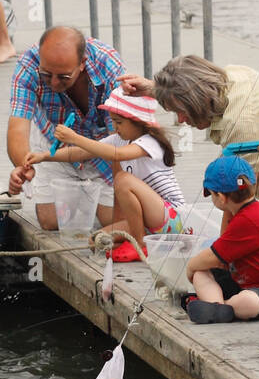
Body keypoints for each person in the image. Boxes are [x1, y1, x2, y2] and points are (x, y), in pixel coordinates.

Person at [125, 55, 259, 294]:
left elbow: (234, 199)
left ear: (197, 102)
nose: (180, 121)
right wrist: (154, 88)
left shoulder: (242, 124)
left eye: (180, 111)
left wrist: (222, 255)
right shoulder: (227, 77)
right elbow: (193, 84)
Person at [27, 92, 188, 259]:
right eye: (112, 121)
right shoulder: (120, 140)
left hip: (172, 217)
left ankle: (139, 244)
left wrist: (75, 138)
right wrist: (45, 156)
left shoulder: (149, 142)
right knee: (96, 240)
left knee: (123, 179)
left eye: (119, 122)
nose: (115, 127)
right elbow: (82, 152)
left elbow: (115, 154)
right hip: (148, 222)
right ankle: (139, 240)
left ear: (139, 122)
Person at [7, 26, 128, 232]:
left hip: (100, 145)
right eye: (46, 75)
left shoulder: (108, 66)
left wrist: (122, 188)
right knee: (51, 222)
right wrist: (23, 166)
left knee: (111, 220)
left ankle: (89, 196)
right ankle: (79, 194)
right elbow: (17, 127)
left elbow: (117, 141)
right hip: (54, 143)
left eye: (63, 77)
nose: (53, 83)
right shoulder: (28, 65)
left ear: (82, 64)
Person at [181, 155, 259, 325]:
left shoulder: (249, 219)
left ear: (221, 197)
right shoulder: (242, 212)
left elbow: (213, 256)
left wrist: (190, 266)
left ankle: (221, 306)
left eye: (212, 194)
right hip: (243, 281)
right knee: (202, 273)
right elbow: (222, 248)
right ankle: (217, 307)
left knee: (247, 301)